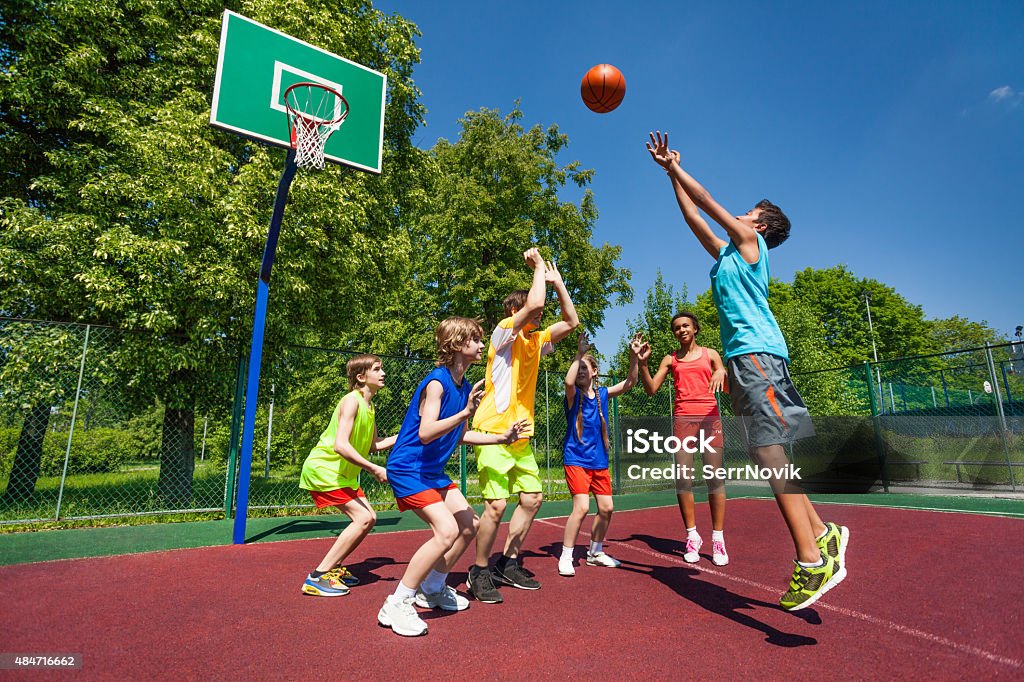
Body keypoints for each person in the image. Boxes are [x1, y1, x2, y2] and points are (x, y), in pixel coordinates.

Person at [646, 131, 849, 611]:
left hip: (758, 357)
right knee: (770, 452)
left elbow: (708, 201)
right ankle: (823, 534)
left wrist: (676, 167)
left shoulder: (752, 242)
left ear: (761, 223)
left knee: (767, 452)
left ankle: (811, 561)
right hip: (748, 361)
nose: (739, 214)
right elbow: (694, 215)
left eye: (748, 212)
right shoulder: (727, 255)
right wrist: (668, 174)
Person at [377, 317, 527, 637]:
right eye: (475, 339)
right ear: (458, 344)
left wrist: (502, 438)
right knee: (445, 531)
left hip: (431, 472)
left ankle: (432, 587)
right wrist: (464, 414)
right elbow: (427, 431)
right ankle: (397, 602)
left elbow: (461, 437)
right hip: (409, 469)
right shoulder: (437, 382)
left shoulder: (462, 387)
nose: (481, 345)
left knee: (470, 524)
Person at [469, 247, 579, 603]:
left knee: (532, 499)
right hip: (491, 434)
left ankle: (508, 562)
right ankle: (479, 570)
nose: (540, 312)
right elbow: (534, 305)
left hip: (521, 435)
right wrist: (536, 268)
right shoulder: (503, 335)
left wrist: (558, 282)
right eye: (532, 309)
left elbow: (571, 322)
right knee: (496, 507)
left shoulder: (535, 341)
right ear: (515, 312)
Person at [299, 354, 396, 597]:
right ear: (361, 377)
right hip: (325, 470)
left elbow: (374, 445)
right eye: (377, 369)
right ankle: (318, 576)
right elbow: (340, 445)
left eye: (382, 368)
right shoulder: (351, 401)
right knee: (363, 519)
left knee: (369, 518)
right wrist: (374, 469)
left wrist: (408, 434)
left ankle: (334, 569)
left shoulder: (370, 406)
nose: (383, 373)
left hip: (343, 475)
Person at [637, 312, 730, 566]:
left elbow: (721, 371)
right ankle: (692, 536)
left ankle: (718, 539)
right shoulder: (670, 359)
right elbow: (650, 389)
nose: (682, 330)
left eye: (686, 325)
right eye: (677, 328)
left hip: (710, 419)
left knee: (714, 478)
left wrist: (721, 370)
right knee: (683, 480)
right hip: (683, 421)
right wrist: (643, 363)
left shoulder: (710, 354)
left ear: (695, 328)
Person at [557, 331, 641, 577]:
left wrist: (633, 357)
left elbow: (630, 382)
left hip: (599, 461)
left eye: (585, 367)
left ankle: (595, 552)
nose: (581, 370)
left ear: (595, 372)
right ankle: (566, 555)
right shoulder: (573, 397)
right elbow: (568, 383)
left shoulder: (603, 394)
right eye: (578, 367)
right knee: (581, 507)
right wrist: (579, 354)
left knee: (606, 508)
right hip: (576, 459)